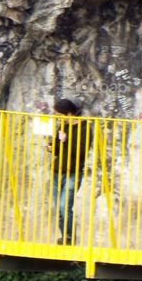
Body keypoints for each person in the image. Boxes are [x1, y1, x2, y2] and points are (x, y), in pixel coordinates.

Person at [48, 98, 90, 244]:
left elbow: (82, 152)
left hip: (73, 173)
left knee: (64, 207)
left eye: (58, 115)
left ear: (69, 114)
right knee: (58, 209)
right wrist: (52, 147)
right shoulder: (62, 127)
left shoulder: (85, 128)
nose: (57, 118)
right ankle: (65, 237)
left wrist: (66, 141)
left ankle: (70, 237)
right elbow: (58, 149)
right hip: (57, 172)